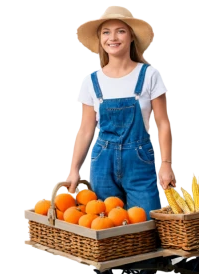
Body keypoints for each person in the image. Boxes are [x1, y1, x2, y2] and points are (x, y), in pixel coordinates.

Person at [68, 6, 176, 216]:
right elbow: (85, 130)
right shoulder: (91, 81)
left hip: (140, 160)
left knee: (146, 223)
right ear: (100, 39)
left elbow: (163, 124)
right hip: (102, 162)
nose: (113, 37)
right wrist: (73, 169)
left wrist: (165, 165)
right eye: (106, 32)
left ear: (131, 36)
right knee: (107, 224)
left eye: (120, 30)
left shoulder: (149, 75)